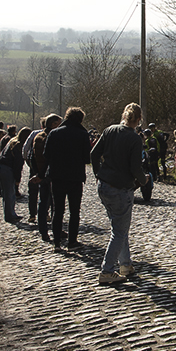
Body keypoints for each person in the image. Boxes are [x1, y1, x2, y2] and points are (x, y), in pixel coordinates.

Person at [91, 102, 149, 285]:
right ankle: (107, 271)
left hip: (104, 185)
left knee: (119, 227)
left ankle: (125, 265)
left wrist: (98, 173)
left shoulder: (109, 130)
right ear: (139, 119)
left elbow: (93, 153)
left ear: (124, 115)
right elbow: (134, 167)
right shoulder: (134, 138)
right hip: (120, 188)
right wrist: (144, 179)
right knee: (119, 231)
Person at [44, 107, 92, 250]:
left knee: (58, 211)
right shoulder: (82, 134)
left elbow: (46, 155)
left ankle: (57, 243)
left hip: (57, 176)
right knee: (74, 211)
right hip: (75, 177)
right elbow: (86, 158)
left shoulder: (54, 133)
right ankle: (72, 242)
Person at [31, 113, 63, 242]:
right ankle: (56, 230)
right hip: (52, 174)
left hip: (41, 174)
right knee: (55, 204)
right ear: (54, 124)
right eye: (59, 124)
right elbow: (52, 158)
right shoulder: (55, 137)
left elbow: (31, 156)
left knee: (43, 203)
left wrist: (37, 173)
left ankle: (44, 230)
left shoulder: (37, 137)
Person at [0, 127, 31, 223]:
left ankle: (10, 213)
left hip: (2, 165)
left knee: (7, 193)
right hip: (7, 168)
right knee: (10, 193)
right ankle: (10, 215)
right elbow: (18, 164)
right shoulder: (19, 146)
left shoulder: (12, 141)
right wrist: (18, 179)